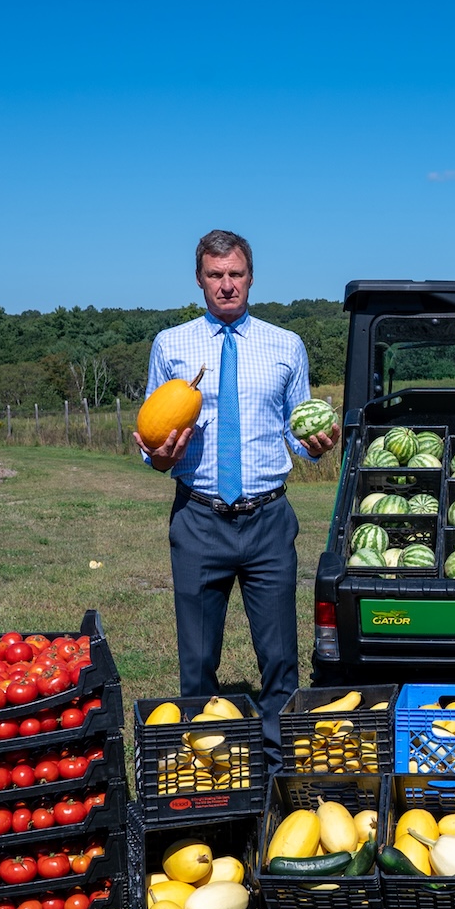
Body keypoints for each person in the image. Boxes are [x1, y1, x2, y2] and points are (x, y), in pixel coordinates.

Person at [135, 230, 339, 768]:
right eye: (215, 275)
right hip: (198, 517)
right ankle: (205, 768)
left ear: (251, 277)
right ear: (199, 279)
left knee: (280, 658)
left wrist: (317, 445)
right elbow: (154, 438)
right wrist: (158, 458)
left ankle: (278, 771)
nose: (226, 285)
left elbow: (297, 430)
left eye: (236, 274)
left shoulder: (286, 344)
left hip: (268, 519)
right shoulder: (171, 345)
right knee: (197, 660)